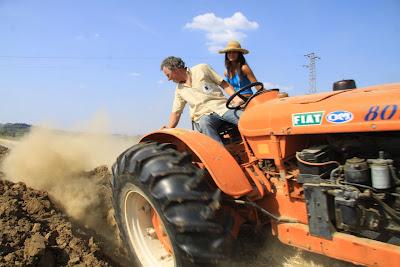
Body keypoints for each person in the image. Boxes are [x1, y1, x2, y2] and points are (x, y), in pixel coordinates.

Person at [160, 56, 242, 144]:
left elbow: (224, 84)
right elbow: (176, 112)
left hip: (222, 107)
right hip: (203, 116)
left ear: (175, 69)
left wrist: (236, 98)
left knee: (245, 118)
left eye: (168, 75)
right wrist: (169, 128)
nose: (168, 79)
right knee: (204, 123)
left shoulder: (202, 68)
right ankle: (219, 155)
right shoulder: (179, 90)